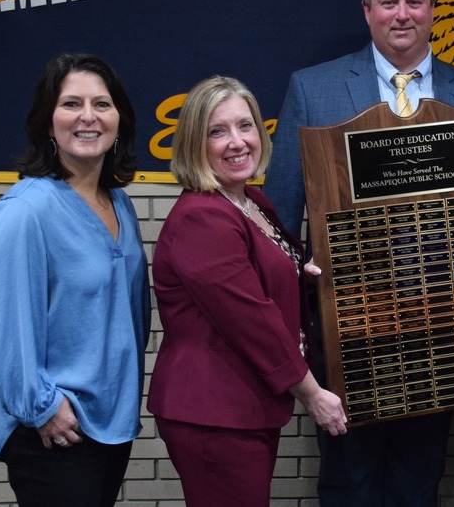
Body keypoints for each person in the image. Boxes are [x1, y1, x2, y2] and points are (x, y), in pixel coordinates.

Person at [262, 0, 454, 507]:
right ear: (367, 11)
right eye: (389, 2)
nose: (402, 14)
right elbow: (279, 217)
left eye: (414, 2)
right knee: (350, 482)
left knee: (420, 479)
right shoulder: (313, 89)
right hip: (346, 328)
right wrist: (298, 293)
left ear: (432, 10)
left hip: (442, 330)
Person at [147, 76, 347, 507]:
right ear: (193, 144)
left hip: (243, 406)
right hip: (212, 413)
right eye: (217, 131)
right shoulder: (203, 218)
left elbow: (263, 276)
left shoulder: (250, 201)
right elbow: (251, 318)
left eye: (246, 125)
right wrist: (312, 394)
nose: (237, 142)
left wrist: (304, 275)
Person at [0, 53, 150, 507]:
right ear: (48, 124)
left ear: (119, 120)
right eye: (71, 104)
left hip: (109, 423)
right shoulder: (24, 213)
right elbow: (3, 334)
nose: (88, 117)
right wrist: (43, 407)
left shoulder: (119, 205)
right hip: (53, 430)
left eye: (101, 104)